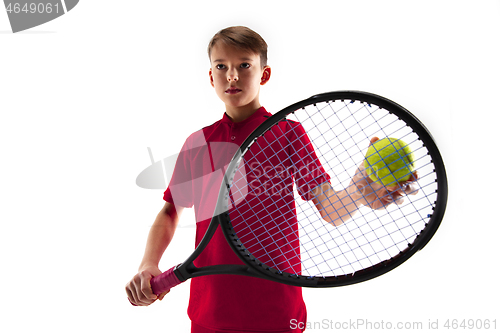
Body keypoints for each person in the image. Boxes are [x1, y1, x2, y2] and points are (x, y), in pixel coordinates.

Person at [125, 26, 417, 332]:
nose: (232, 76)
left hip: (277, 311)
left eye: (244, 65)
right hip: (209, 312)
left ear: (264, 74)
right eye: (221, 66)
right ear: (211, 77)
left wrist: (359, 189)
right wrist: (148, 264)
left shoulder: (289, 134)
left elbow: (330, 209)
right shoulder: (198, 142)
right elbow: (171, 211)